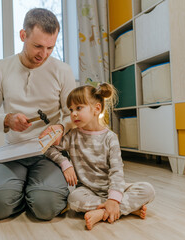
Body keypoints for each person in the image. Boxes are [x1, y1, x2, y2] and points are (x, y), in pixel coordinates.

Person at [0, 8, 76, 220]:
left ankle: (27, 191)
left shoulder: (63, 71)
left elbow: (72, 116)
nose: (44, 54)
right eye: (37, 46)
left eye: (51, 47)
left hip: (49, 154)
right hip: (13, 152)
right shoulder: (2, 68)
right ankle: (15, 188)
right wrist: (7, 119)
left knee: (46, 207)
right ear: (23, 36)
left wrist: (61, 127)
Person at [44, 83, 155, 230]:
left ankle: (105, 211)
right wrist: (65, 163)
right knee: (74, 200)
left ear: (96, 109)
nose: (73, 113)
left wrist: (114, 197)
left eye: (79, 108)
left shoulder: (110, 138)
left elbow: (116, 171)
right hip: (87, 190)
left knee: (148, 190)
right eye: (71, 109)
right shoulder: (72, 136)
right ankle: (120, 209)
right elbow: (48, 148)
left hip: (112, 187)